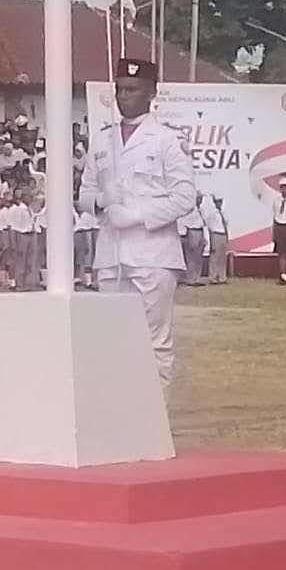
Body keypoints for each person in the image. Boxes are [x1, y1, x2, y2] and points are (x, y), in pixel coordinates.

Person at [78, 57, 195, 390]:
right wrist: (102, 200)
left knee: (154, 341)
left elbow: (185, 197)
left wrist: (139, 215)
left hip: (153, 254)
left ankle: (155, 422)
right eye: (119, 89)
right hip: (111, 254)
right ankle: (120, 418)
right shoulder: (102, 140)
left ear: (151, 93)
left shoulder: (166, 139)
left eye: (132, 89)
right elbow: (84, 193)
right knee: (114, 341)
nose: (123, 96)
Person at [177, 197, 207, 286]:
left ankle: (197, 278)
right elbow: (182, 222)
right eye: (199, 198)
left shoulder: (199, 210)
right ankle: (191, 279)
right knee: (191, 258)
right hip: (192, 231)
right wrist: (185, 235)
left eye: (201, 199)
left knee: (198, 257)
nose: (200, 200)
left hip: (200, 231)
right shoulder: (189, 209)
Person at [203, 194, 230, 285]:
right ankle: (213, 277)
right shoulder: (212, 213)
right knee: (215, 257)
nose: (220, 203)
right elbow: (209, 226)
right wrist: (211, 238)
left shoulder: (223, 212)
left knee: (222, 257)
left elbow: (226, 224)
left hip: (223, 235)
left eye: (221, 201)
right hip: (216, 234)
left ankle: (222, 277)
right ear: (214, 202)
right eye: (218, 201)